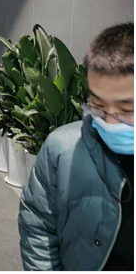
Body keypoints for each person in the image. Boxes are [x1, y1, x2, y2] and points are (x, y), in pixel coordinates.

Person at [19, 22, 134, 271]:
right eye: (98, 105)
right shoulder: (62, 147)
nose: (110, 121)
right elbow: (38, 224)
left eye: (126, 109)